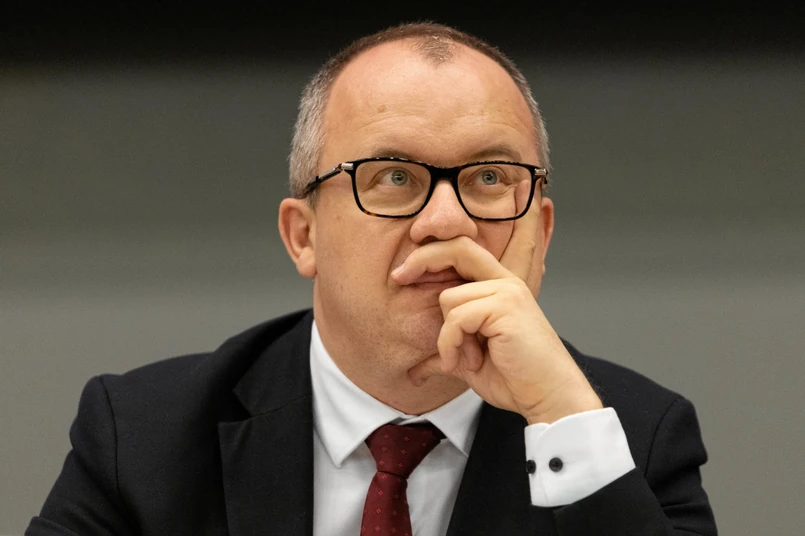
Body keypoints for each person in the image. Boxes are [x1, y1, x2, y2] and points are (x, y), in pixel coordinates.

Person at [26, 22, 717, 536]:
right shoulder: (143, 437)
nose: (446, 221)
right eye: (393, 177)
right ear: (304, 235)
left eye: (487, 177)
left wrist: (560, 415)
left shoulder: (628, 440)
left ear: (540, 231)